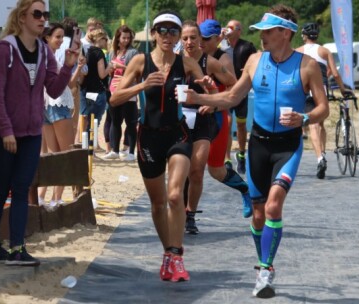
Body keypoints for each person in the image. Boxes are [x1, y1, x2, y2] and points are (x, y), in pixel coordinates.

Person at [185, 5, 329, 297]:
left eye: (267, 32)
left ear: (285, 33)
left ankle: (266, 268)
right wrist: (199, 97)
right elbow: (232, 96)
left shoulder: (307, 65)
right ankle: (262, 262)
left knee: (274, 205)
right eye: (260, 32)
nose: (261, 36)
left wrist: (304, 118)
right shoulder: (253, 60)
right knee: (259, 215)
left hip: (288, 146)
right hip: (258, 145)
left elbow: (323, 107)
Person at [110, 10, 213, 282]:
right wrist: (143, 84)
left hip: (177, 135)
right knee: (157, 204)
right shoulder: (140, 61)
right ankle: (168, 252)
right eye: (162, 31)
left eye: (173, 31)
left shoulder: (188, 63)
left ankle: (177, 256)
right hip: (148, 137)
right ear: (154, 34)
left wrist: (205, 93)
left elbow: (206, 92)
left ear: (179, 36)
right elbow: (115, 98)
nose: (167, 36)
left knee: (175, 196)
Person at [0, 0, 76, 266]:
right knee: (1, 189)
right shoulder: (4, 50)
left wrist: (68, 66)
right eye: (37, 14)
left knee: (22, 188)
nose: (42, 19)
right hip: (2, 133)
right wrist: (6, 131)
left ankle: (16, 248)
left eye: (45, 14)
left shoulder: (45, 52)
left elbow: (54, 90)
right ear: (22, 17)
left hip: (31, 132)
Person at [179, 20, 241, 234]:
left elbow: (234, 86)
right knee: (180, 171)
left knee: (196, 171)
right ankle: (177, 210)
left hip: (204, 120)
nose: (189, 42)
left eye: (194, 38)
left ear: (200, 40)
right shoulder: (174, 61)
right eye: (185, 38)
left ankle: (190, 215)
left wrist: (214, 104)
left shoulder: (211, 63)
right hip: (178, 121)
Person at [38, 23, 86, 207]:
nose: (60, 41)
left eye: (61, 37)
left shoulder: (45, 54)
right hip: (56, 104)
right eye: (57, 37)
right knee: (66, 155)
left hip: (48, 105)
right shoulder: (47, 55)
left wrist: (77, 67)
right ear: (46, 38)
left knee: (53, 154)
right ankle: (56, 198)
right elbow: (61, 86)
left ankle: (45, 196)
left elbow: (68, 84)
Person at [296, 22, 353, 179]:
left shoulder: (298, 51)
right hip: (322, 90)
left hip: (306, 89)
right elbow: (335, 74)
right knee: (320, 123)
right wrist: (342, 89)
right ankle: (323, 153)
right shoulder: (325, 51)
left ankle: (320, 157)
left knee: (312, 124)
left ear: (304, 36)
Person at [222, 19, 257, 174]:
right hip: (226, 91)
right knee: (227, 123)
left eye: (231, 27)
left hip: (242, 92)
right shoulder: (221, 45)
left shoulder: (247, 46)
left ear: (238, 30)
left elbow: (257, 63)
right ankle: (227, 159)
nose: (228, 29)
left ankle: (241, 154)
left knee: (241, 125)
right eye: (227, 26)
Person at [104, 25, 138, 161]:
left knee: (130, 122)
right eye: (123, 37)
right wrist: (110, 70)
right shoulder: (113, 53)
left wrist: (121, 66)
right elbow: (108, 72)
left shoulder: (133, 52)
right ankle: (115, 150)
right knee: (115, 121)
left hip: (128, 90)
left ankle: (130, 152)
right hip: (114, 89)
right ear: (118, 38)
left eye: (128, 38)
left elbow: (135, 70)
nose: (126, 40)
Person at [79, 28, 112, 133]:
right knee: (94, 124)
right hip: (98, 91)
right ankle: (91, 147)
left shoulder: (88, 51)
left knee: (89, 122)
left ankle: (87, 145)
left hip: (88, 91)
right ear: (100, 39)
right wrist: (110, 67)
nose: (106, 42)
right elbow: (102, 74)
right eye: (105, 39)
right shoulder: (99, 53)